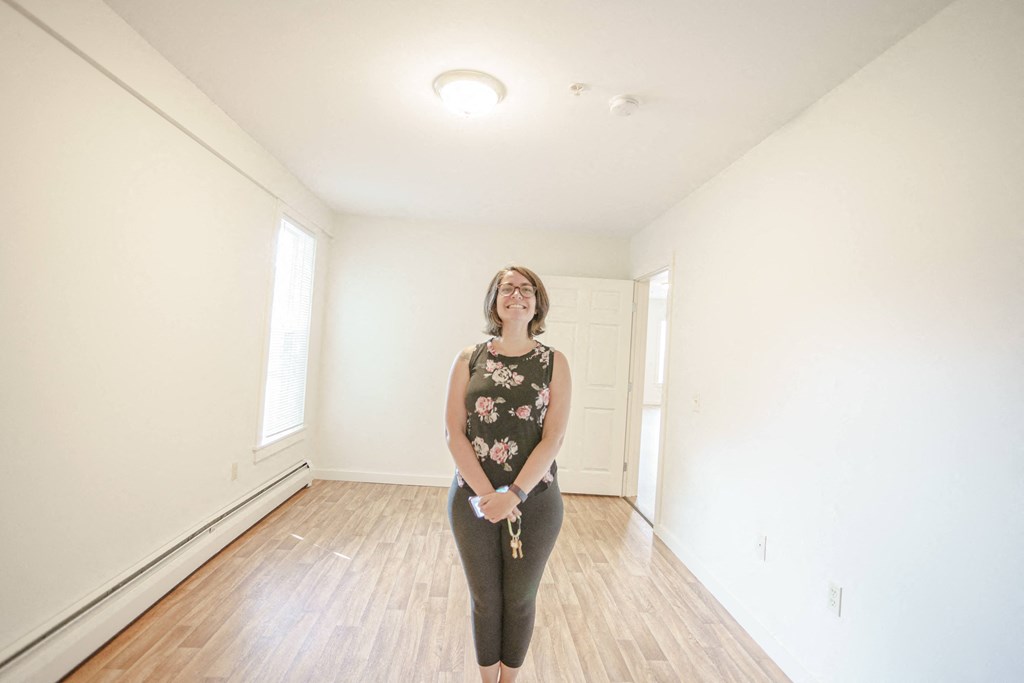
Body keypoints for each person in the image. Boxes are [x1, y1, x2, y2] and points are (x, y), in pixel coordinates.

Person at [445, 265, 572, 683]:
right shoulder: (469, 358)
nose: (517, 295)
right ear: (494, 300)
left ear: (537, 302)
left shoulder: (554, 362)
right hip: (473, 499)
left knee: (519, 599)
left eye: (527, 289)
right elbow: (454, 433)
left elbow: (552, 439)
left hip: (535, 501)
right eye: (507, 288)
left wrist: (513, 494)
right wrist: (489, 498)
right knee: (485, 599)